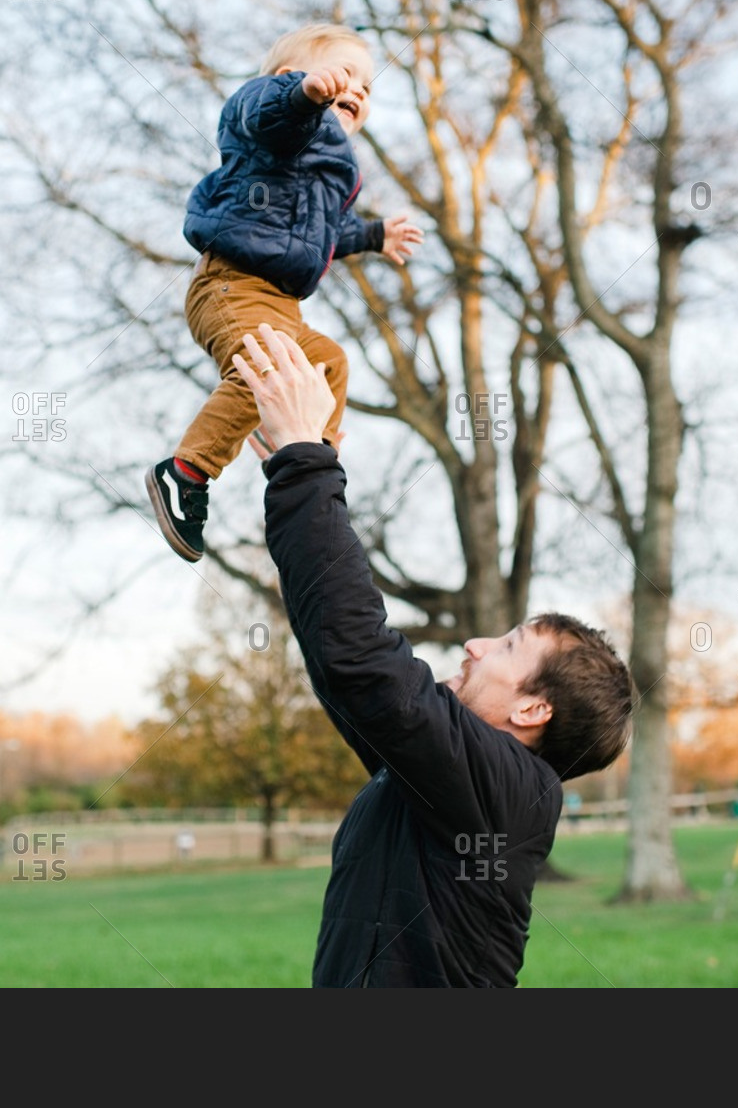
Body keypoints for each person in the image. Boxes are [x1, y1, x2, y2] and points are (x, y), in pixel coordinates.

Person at [233, 324, 636, 988]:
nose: (475, 645)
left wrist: (307, 460)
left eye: (506, 646)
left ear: (535, 706)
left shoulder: (511, 791)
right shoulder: (442, 781)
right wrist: (297, 470)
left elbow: (364, 661)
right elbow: (341, 663)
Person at [146, 23, 423, 562]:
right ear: (287, 75)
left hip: (281, 305)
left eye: (367, 87)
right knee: (266, 371)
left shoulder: (328, 170)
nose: (359, 90)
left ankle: (304, 454)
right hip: (232, 284)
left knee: (328, 363)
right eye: (347, 74)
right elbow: (262, 113)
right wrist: (302, 95)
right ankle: (185, 472)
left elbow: (320, 233)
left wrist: (372, 235)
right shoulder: (272, 121)